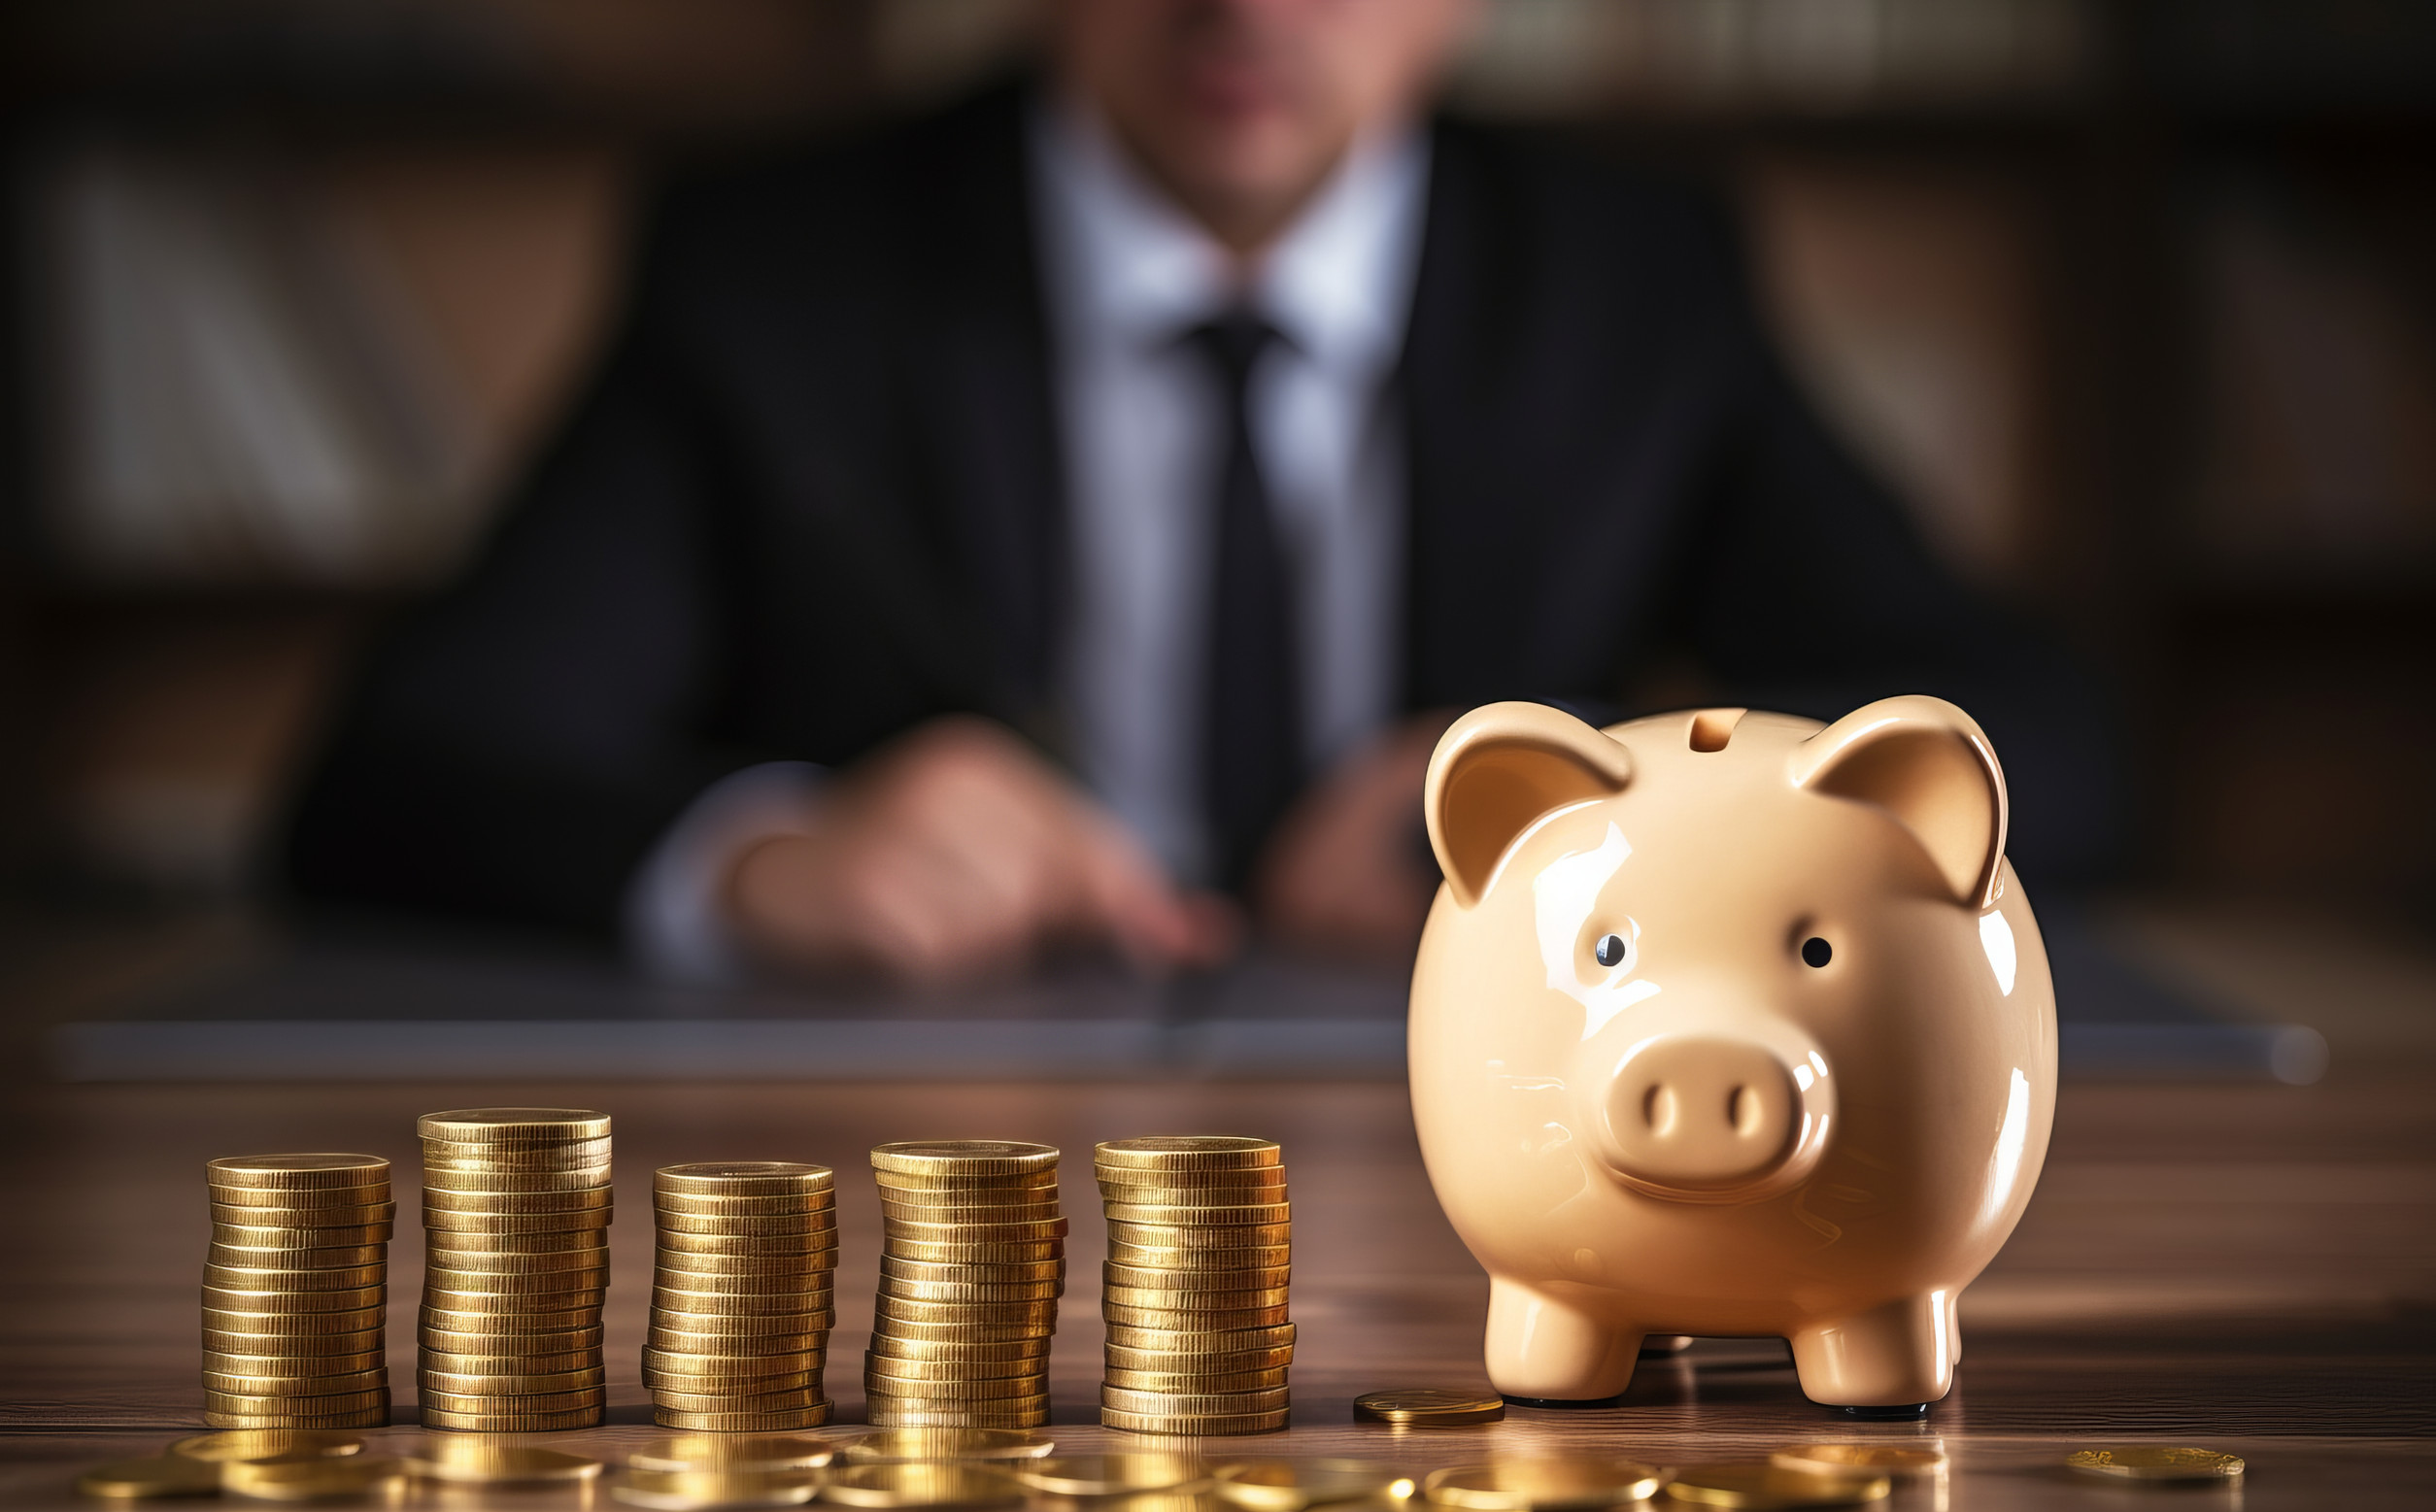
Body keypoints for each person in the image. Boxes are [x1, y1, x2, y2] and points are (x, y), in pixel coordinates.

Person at [285, 0, 2115, 984]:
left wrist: (1595, 808)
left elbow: (2035, 734)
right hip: (916, 1212)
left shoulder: (1630, 285)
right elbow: (399, 775)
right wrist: (759, 860)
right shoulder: (781, 274)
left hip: (1514, 1191)